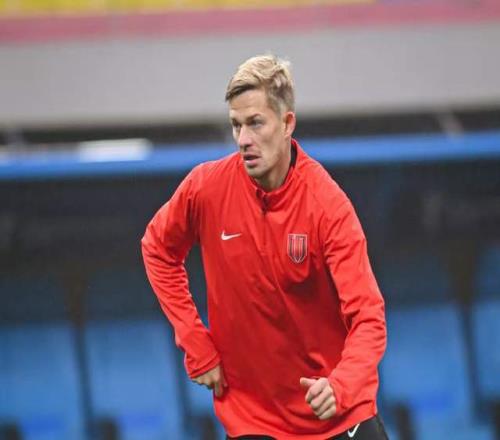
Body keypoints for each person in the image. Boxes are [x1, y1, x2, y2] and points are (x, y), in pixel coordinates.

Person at [142, 54, 387, 439]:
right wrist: (194, 340)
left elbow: (369, 318)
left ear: (287, 123)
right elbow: (157, 249)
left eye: (255, 123)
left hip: (338, 415)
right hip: (253, 419)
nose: (243, 139)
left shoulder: (328, 207)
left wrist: (341, 385)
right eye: (236, 125)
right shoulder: (206, 189)